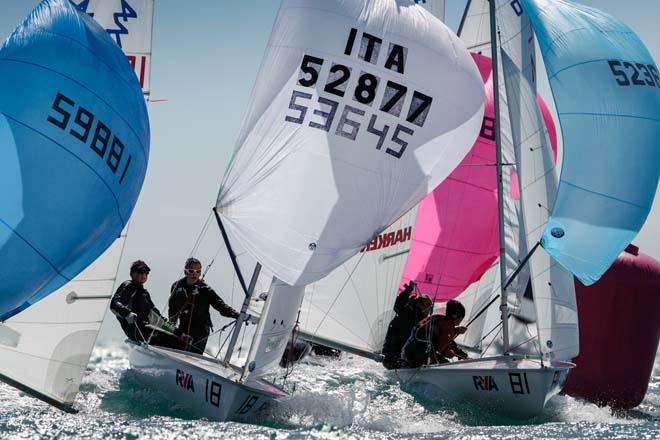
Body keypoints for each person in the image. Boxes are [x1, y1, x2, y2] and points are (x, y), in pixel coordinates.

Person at [168, 257, 239, 354]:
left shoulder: (205, 290)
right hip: (183, 326)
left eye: (198, 271)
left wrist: (237, 315)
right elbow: (172, 307)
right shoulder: (176, 286)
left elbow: (221, 306)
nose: (195, 274)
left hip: (200, 330)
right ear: (185, 271)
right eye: (191, 271)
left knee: (192, 355)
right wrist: (172, 323)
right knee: (178, 351)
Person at [110, 260, 182, 348]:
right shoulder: (128, 285)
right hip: (136, 331)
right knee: (173, 340)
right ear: (132, 274)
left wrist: (177, 332)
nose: (144, 275)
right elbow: (114, 304)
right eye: (140, 272)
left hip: (145, 329)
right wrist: (127, 313)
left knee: (179, 339)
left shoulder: (144, 293)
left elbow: (158, 319)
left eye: (146, 273)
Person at [381, 281, 434, 370]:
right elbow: (398, 303)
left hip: (403, 355)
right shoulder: (407, 310)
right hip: (392, 353)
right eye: (429, 308)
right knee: (395, 357)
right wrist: (409, 289)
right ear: (422, 305)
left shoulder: (421, 319)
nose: (429, 311)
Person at [402, 299, 469, 368]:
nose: (460, 322)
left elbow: (449, 343)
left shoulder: (438, 319)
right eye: (461, 318)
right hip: (419, 355)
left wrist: (463, 355)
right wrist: (455, 355)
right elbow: (442, 348)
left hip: (409, 353)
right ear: (455, 316)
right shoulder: (447, 324)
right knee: (448, 366)